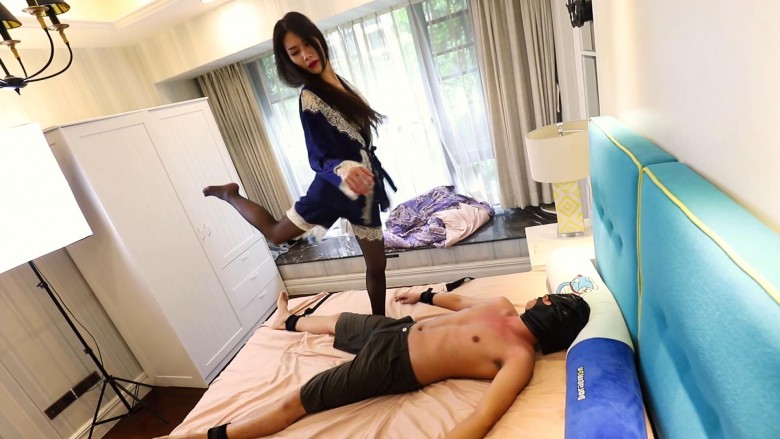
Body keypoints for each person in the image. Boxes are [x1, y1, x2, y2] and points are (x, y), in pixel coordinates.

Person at [163, 288, 590, 439]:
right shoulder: (501, 306)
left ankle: (208, 435)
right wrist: (422, 295)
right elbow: (459, 301)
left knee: (299, 400)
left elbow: (483, 416)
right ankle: (288, 321)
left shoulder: (518, 358)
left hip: (394, 364)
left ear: (545, 304)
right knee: (341, 322)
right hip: (399, 329)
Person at [203, 11, 395, 316]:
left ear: (317, 37)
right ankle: (231, 194)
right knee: (276, 234)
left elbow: (360, 141)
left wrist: (363, 171)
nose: (305, 55)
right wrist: (346, 168)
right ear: (288, 59)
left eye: (307, 43)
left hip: (361, 188)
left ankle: (379, 323)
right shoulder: (310, 99)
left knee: (377, 264)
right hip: (333, 188)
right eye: (294, 52)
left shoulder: (343, 85)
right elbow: (319, 156)